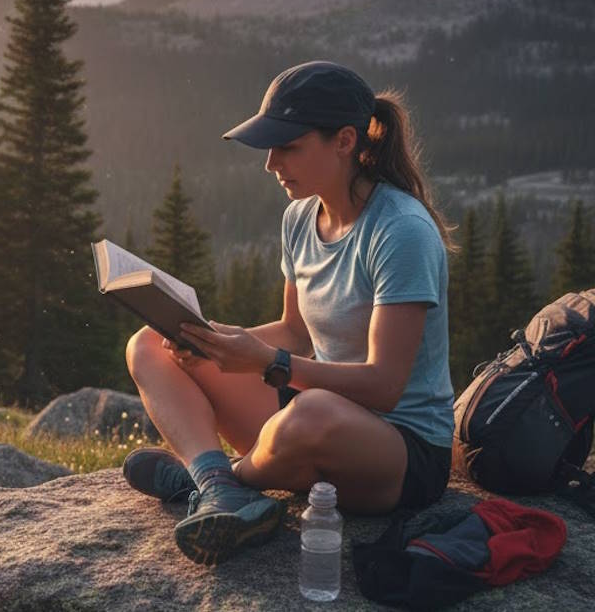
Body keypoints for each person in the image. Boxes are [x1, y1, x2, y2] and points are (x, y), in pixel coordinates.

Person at [121, 60, 457, 566]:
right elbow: (296, 332)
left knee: (310, 413)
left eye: (288, 147)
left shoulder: (400, 231)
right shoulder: (300, 217)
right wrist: (215, 341)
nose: (271, 163)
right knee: (149, 344)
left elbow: (386, 384)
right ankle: (221, 485)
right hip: (310, 411)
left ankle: (215, 481)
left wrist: (267, 363)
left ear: (345, 141)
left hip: (399, 450)